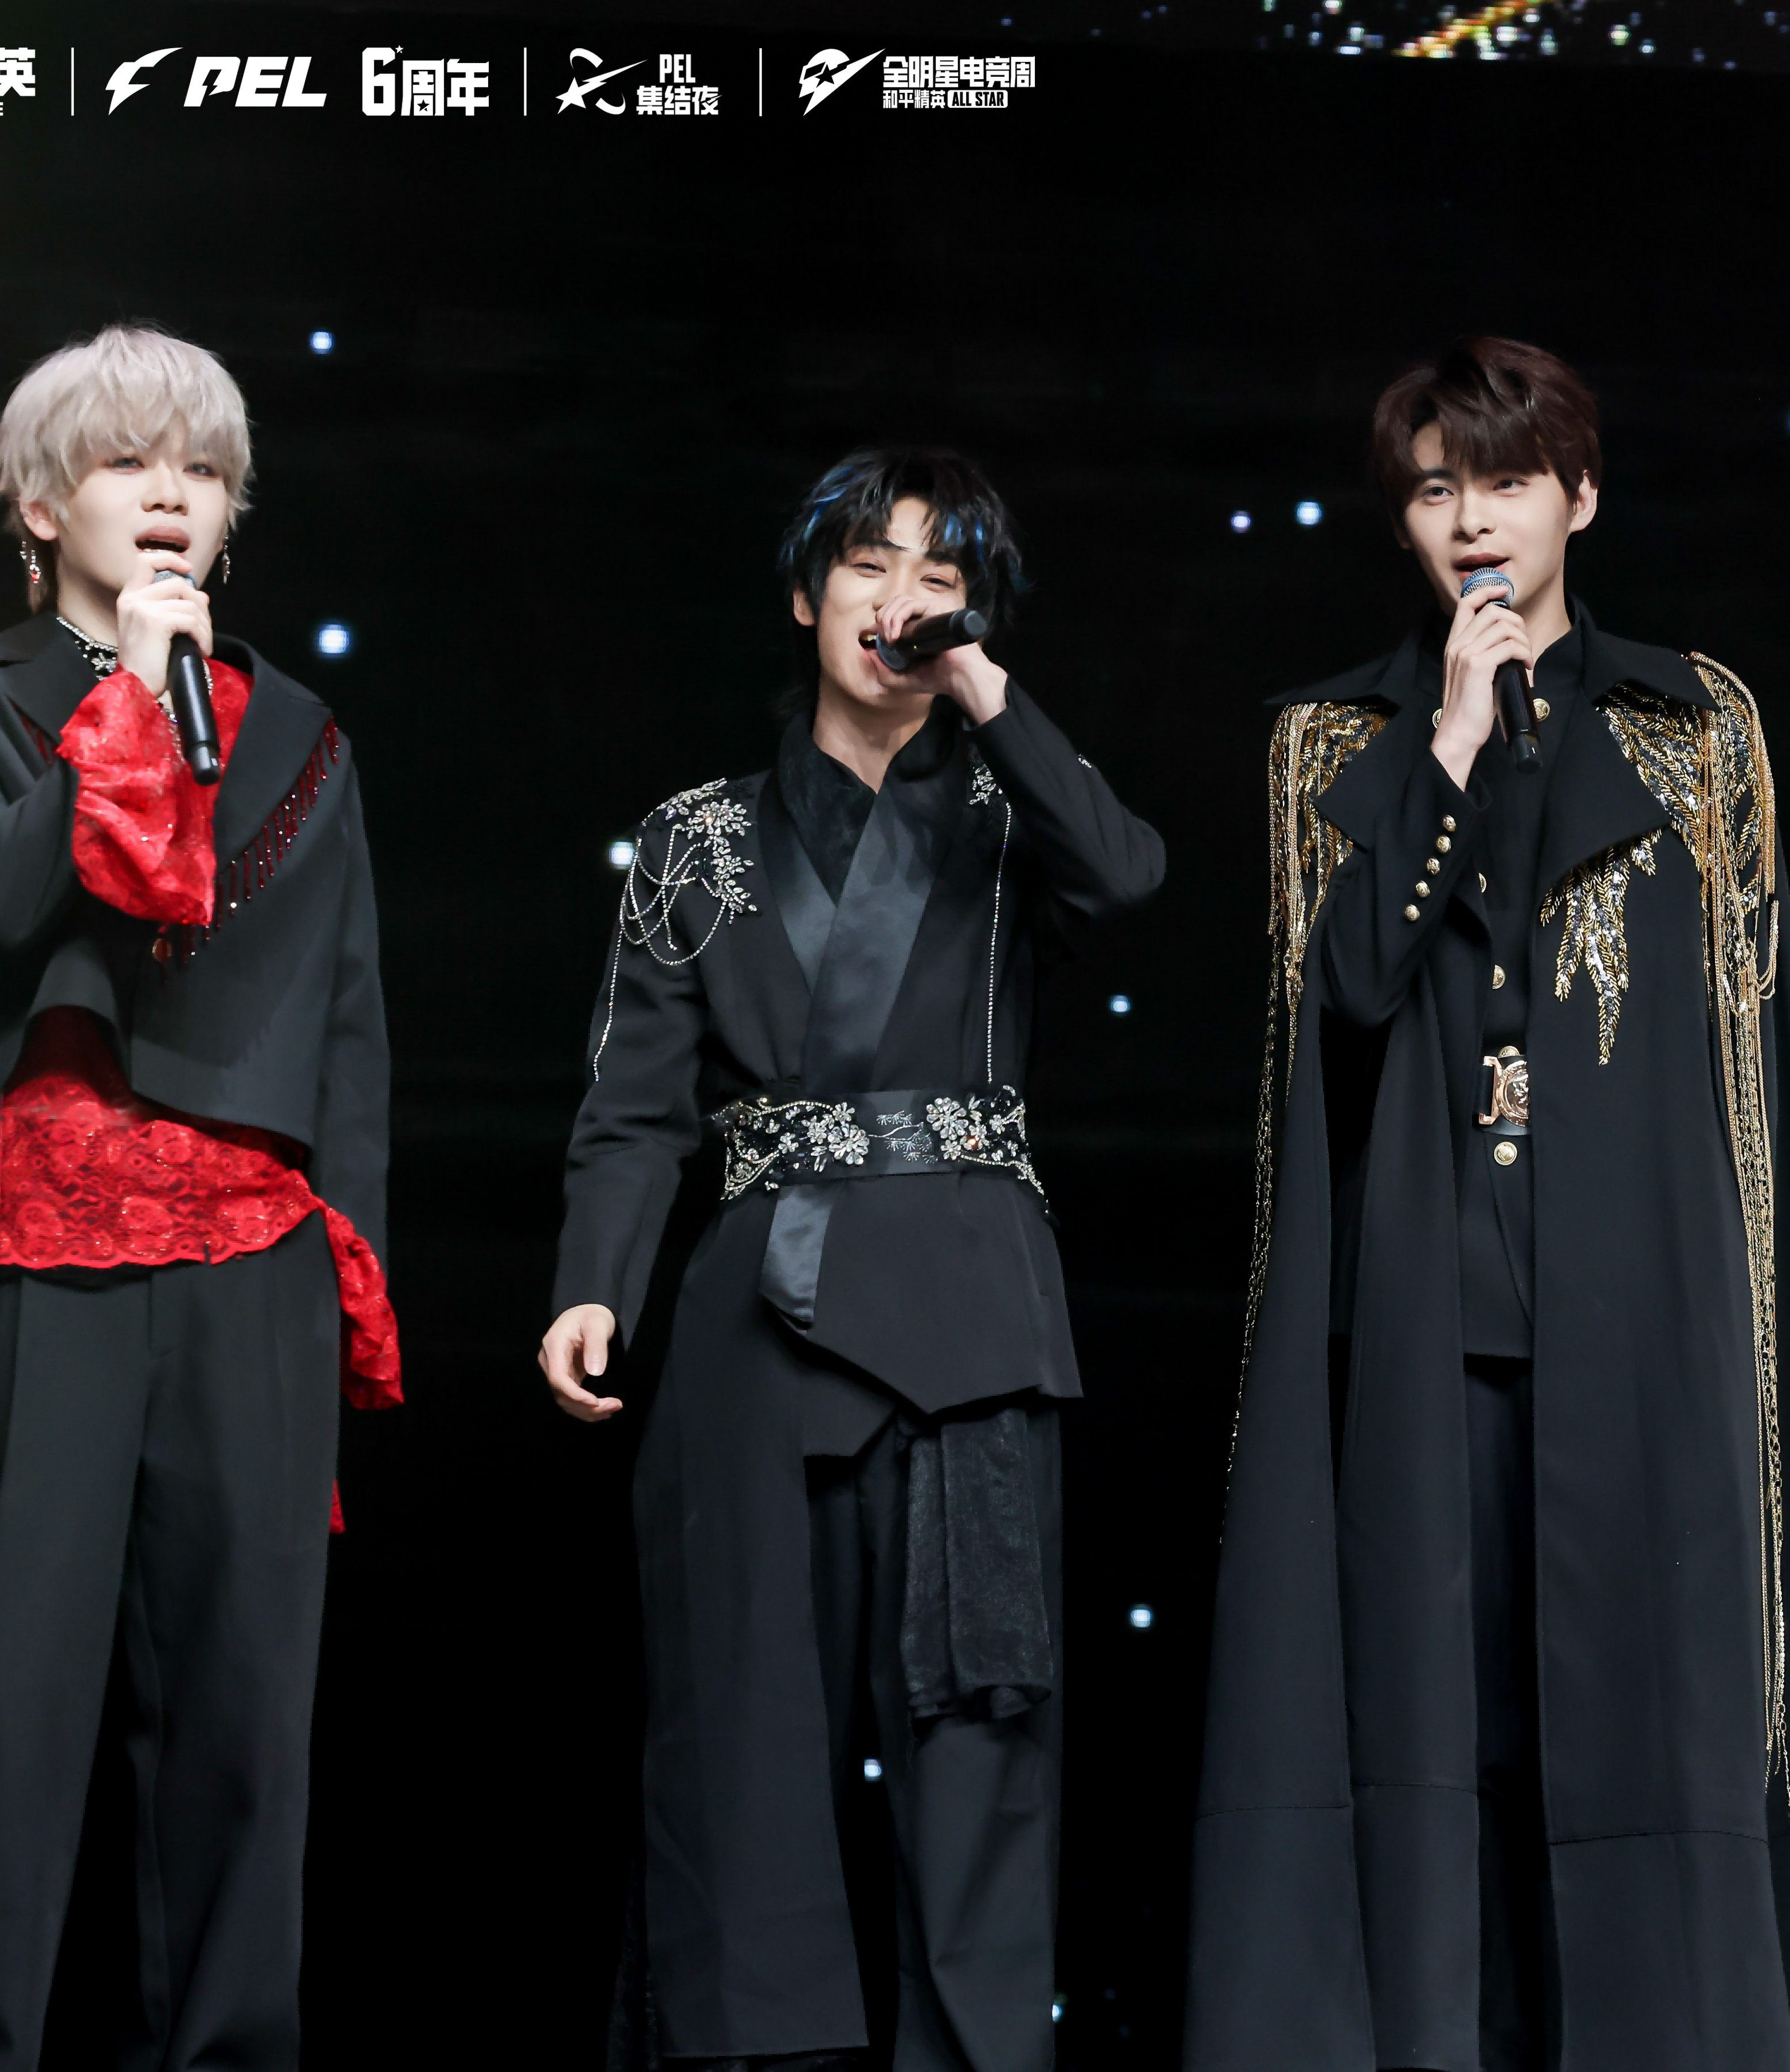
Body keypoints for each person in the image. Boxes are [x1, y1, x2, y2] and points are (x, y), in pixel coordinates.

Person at [1187, 337, 1790, 2072]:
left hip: (1643, 1305)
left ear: (1579, 500)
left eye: (1508, 481)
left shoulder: (1696, 729)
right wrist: (1450, 745)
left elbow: (1747, 1065)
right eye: (1436, 488)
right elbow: (1345, 1000)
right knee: (1435, 1720)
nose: (1473, 520)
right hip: (1424, 1312)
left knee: (1646, 1707)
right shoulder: (1331, 744)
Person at [540, 448, 1163, 2072]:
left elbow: (1130, 873)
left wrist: (986, 693)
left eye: (939, 573)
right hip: (759, 1322)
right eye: (871, 564)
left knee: (980, 1742)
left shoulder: (1014, 814)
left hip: (970, 1322)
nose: (900, 597)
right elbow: (633, 1105)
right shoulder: (694, 838)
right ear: (808, 595)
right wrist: (595, 1282)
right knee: (739, 1736)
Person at [0, 323, 399, 2069]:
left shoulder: (301, 729)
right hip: (42, 1255)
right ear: (41, 505)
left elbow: (346, 1021)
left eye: (204, 469)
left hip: (253, 1262)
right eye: (124, 461)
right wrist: (126, 697)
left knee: (247, 1726)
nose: (170, 493)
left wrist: (347, 1265)